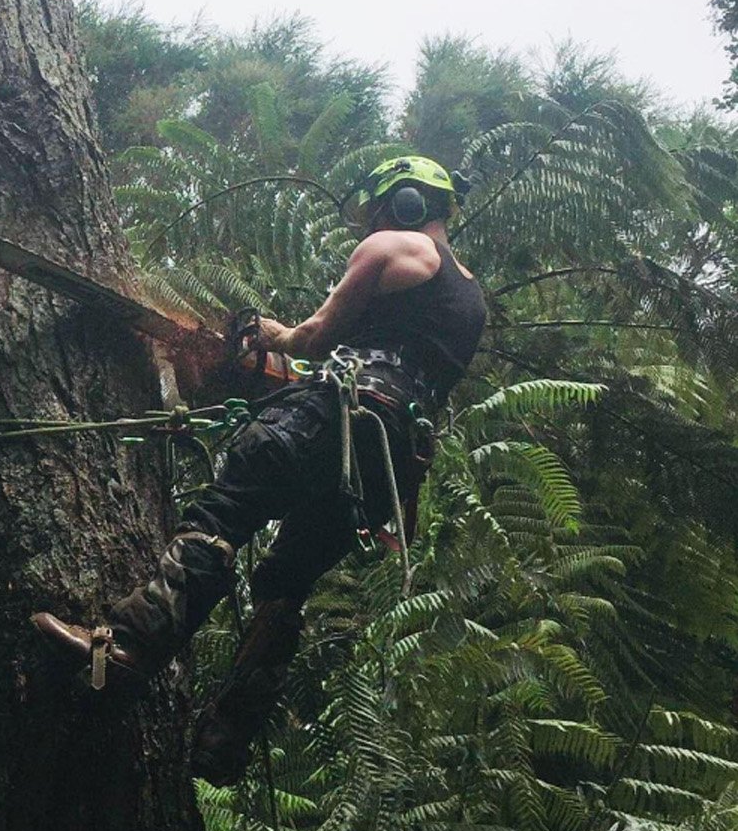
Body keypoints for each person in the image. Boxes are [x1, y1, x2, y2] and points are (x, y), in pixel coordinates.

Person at [33, 155, 489, 785]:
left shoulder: (392, 246)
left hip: (338, 415)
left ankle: (129, 647)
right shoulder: (471, 296)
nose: (371, 224)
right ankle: (225, 738)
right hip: (390, 464)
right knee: (284, 584)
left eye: (377, 211)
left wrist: (273, 335)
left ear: (402, 203)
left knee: (227, 509)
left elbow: (315, 338)